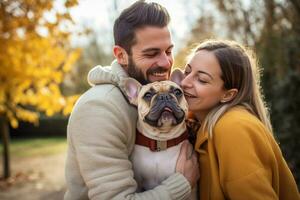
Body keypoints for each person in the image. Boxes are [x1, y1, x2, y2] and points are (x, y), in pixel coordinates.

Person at [64, 1, 199, 200]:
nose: (165, 62)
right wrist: (183, 183)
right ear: (121, 55)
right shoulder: (99, 108)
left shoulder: (157, 89)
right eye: (151, 53)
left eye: (168, 51)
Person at [180, 39, 300, 200]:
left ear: (228, 94)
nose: (184, 82)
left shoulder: (234, 127)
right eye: (187, 72)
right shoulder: (193, 125)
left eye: (201, 80)